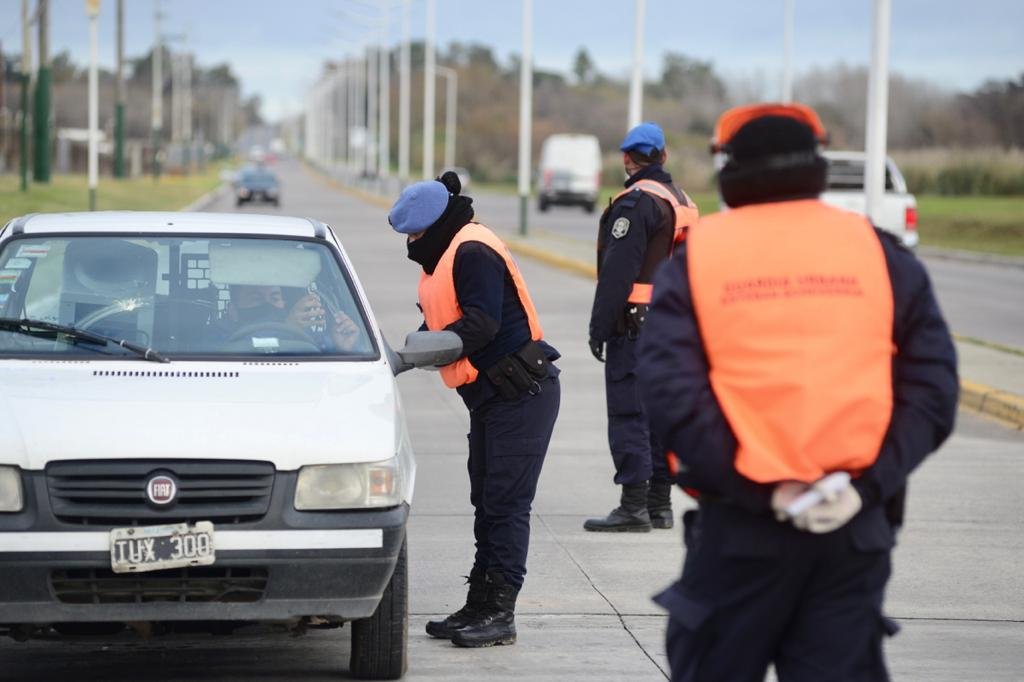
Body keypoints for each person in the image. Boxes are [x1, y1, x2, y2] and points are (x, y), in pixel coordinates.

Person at [636, 103, 959, 681]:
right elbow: (932, 390)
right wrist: (865, 488)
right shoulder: (881, 254)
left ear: (730, 168)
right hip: (853, 530)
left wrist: (766, 492)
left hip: (741, 529)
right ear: (817, 165)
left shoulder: (699, 260)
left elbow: (671, 398)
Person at [388, 171, 561, 648]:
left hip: (521, 393)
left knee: (505, 505)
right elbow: (439, 320)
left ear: (437, 224)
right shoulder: (446, 255)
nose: (412, 242)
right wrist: (399, 353)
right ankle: (479, 604)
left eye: (416, 234)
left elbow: (481, 324)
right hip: (491, 396)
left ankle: (500, 613)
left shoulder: (472, 250)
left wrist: (415, 354)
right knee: (486, 503)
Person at [585, 122, 699, 533]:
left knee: (630, 412)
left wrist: (599, 328)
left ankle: (632, 506)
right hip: (674, 325)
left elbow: (618, 274)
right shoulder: (682, 200)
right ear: (663, 156)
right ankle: (659, 505)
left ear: (627, 159)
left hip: (635, 327)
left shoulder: (637, 204)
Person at [222, 284, 361, 351]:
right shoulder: (213, 340)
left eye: (275, 298)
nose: (268, 304)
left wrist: (340, 346)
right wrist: (287, 329)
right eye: (257, 298)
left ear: (284, 304)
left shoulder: (309, 338)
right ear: (233, 311)